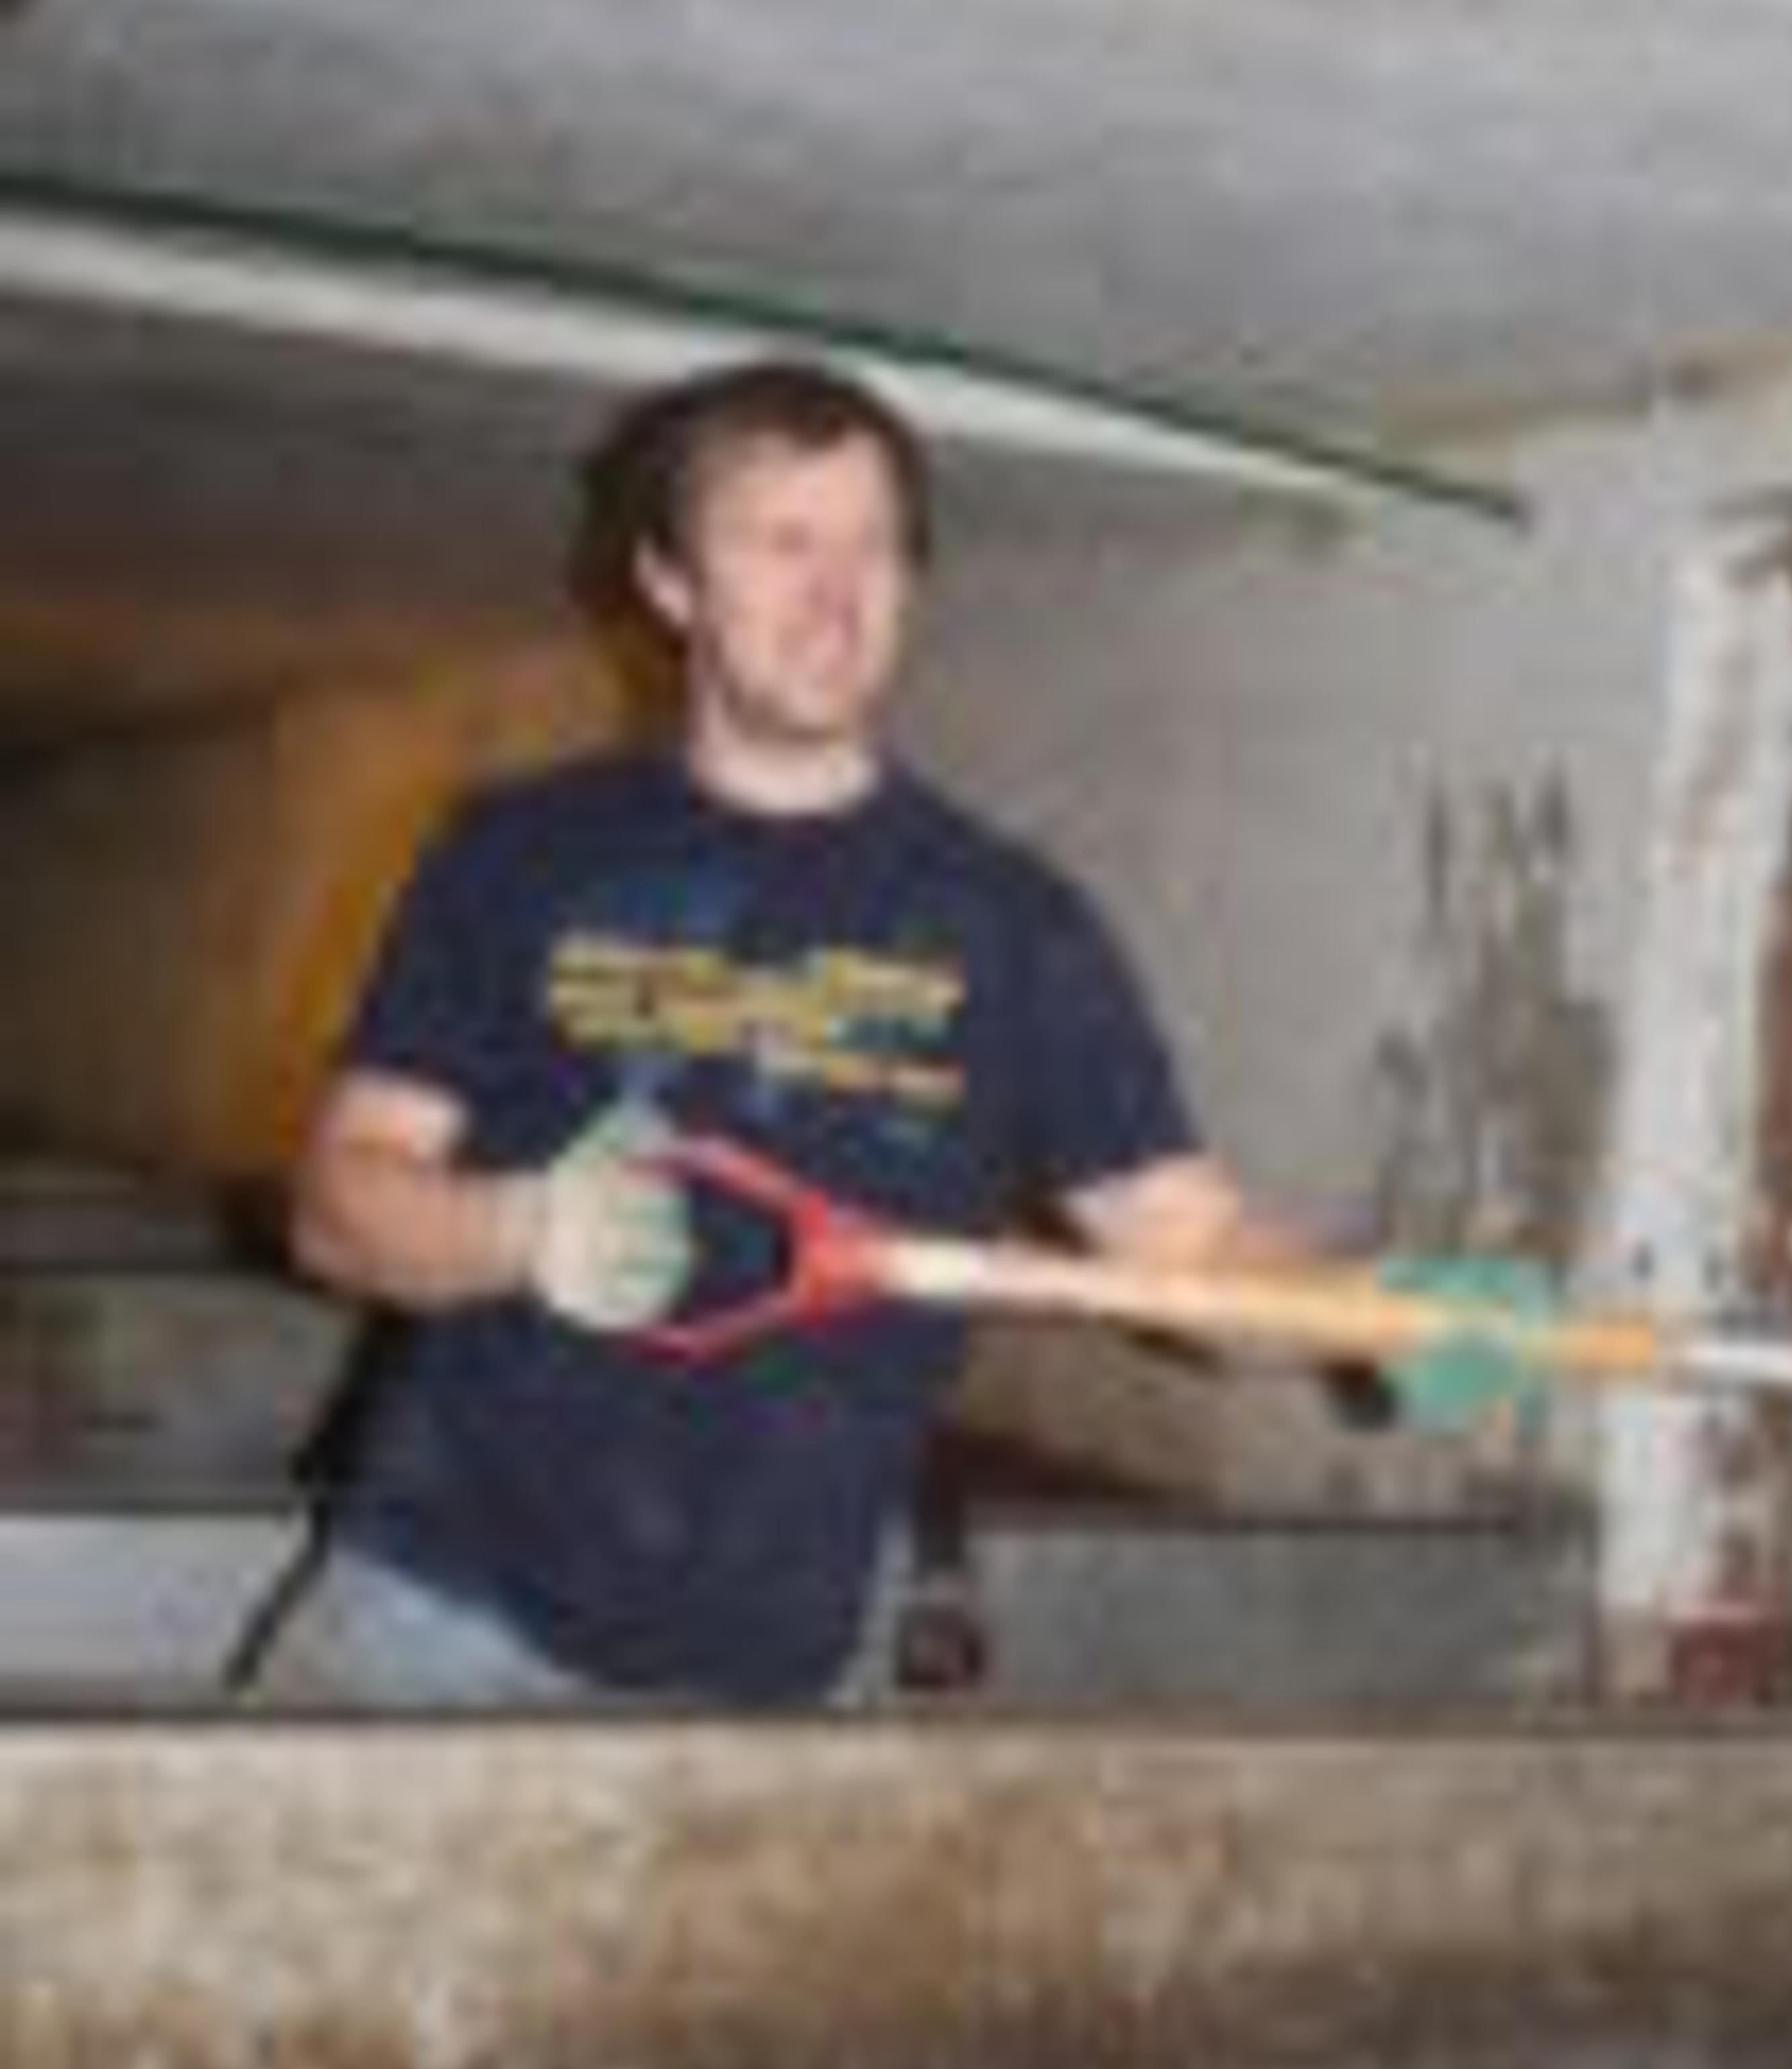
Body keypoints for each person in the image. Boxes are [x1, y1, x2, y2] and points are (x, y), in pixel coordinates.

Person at [241, 357, 1541, 1708]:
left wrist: (1358, 1309)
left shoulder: (1011, 925)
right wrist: (519, 1230)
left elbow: (1188, 1242)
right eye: (783, 543)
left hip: (781, 1658)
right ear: (672, 583)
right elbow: (339, 1211)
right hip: (440, 1603)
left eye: (873, 549)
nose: (836, 595)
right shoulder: (518, 855)